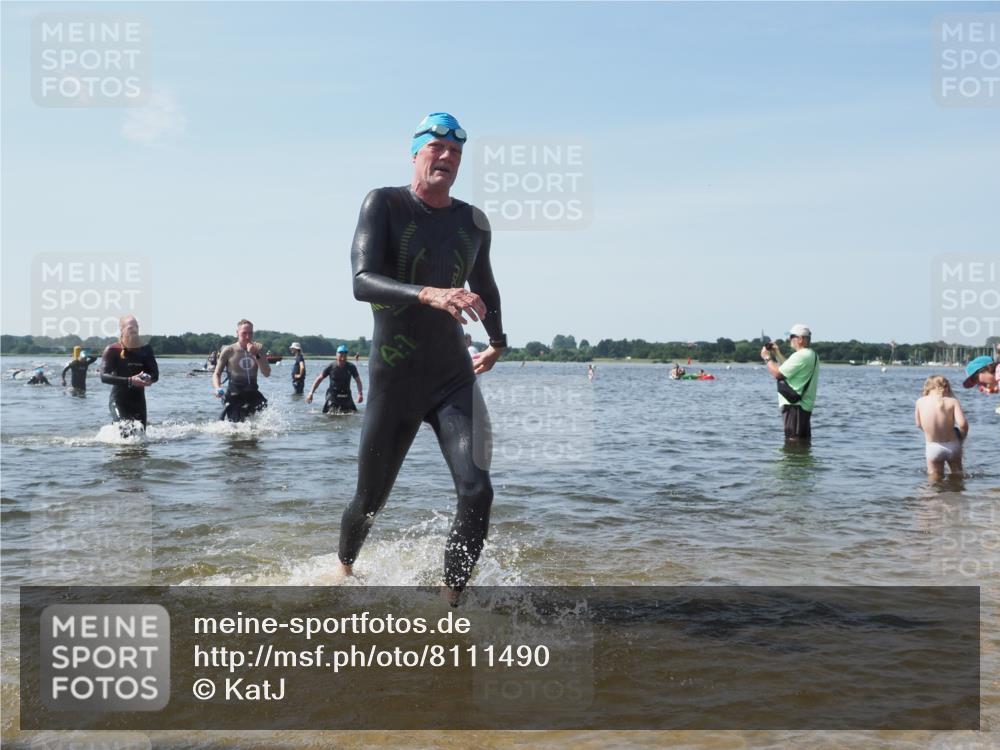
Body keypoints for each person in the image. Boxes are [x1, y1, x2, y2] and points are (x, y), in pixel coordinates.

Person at [335, 112, 507, 604]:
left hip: (453, 377)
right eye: (437, 147)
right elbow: (362, 281)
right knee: (369, 501)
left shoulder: (473, 221)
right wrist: (429, 293)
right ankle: (343, 569)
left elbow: (485, 284)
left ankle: (452, 598)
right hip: (395, 381)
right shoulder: (384, 204)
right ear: (415, 152)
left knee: (477, 490)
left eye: (456, 152)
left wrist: (497, 342)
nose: (447, 157)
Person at [100, 315, 159, 436]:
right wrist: (130, 380)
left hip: (138, 401)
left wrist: (148, 378)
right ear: (122, 330)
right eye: (131, 328)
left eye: (136, 327)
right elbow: (103, 376)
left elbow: (155, 374)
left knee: (140, 437)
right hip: (119, 401)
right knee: (126, 431)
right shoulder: (112, 350)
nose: (134, 330)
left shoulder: (145, 349)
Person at [762, 324, 819, 441]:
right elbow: (788, 367)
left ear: (800, 339)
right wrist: (777, 353)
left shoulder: (801, 355)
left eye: (792, 336)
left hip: (795, 407)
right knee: (802, 443)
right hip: (803, 407)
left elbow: (778, 374)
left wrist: (767, 358)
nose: (789, 339)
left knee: (793, 442)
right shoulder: (811, 354)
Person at [213, 319, 271, 422]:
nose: (248, 337)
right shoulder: (229, 350)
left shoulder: (259, 348)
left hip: (252, 393)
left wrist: (256, 355)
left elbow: (266, 373)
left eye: (250, 333)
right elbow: (217, 373)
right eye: (244, 333)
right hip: (234, 394)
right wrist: (217, 388)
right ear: (237, 333)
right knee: (235, 426)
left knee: (259, 423)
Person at [916, 375, 968, 479]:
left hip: (933, 447)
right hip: (953, 445)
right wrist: (962, 437)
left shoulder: (920, 402)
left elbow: (918, 424)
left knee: (934, 479)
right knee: (957, 475)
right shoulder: (952, 401)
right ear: (946, 388)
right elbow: (963, 424)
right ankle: (957, 488)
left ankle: (937, 490)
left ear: (927, 388)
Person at [306, 344, 364, 413]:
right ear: (336, 356)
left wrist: (360, 394)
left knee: (353, 413)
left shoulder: (351, 367)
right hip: (333, 395)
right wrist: (311, 393)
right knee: (329, 414)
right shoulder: (331, 366)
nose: (342, 359)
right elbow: (319, 379)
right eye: (340, 356)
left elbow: (358, 381)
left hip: (346, 394)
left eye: (344, 357)